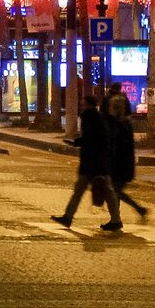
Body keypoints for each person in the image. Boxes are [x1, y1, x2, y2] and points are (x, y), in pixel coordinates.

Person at [55, 96, 120, 230]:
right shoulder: (98, 117)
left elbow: (91, 139)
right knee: (107, 191)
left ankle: (68, 217)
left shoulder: (89, 117)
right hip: (99, 162)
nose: (81, 106)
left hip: (91, 163)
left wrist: (77, 142)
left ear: (89, 105)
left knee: (85, 191)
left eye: (83, 104)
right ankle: (115, 219)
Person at [105, 93, 149, 224]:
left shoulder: (121, 124)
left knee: (114, 191)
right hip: (122, 163)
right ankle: (117, 217)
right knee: (115, 191)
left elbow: (118, 145)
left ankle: (120, 217)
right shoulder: (123, 122)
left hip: (120, 164)